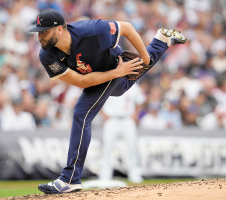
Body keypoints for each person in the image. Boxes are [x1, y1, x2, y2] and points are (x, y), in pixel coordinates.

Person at [29, 9, 186, 194]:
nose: (40, 35)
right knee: (123, 87)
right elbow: (80, 81)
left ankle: (70, 179)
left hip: (112, 63)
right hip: (106, 74)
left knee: (81, 113)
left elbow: (126, 28)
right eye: (39, 31)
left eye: (45, 31)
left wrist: (145, 58)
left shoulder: (91, 30)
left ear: (60, 30)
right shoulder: (47, 55)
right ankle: (160, 41)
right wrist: (118, 73)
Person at [99, 84, 145, 183]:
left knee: (133, 147)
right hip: (111, 119)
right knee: (107, 148)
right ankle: (105, 174)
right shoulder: (109, 83)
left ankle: (135, 174)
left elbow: (140, 101)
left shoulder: (133, 85)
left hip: (127, 119)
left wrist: (135, 115)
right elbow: (98, 100)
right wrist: (104, 115)